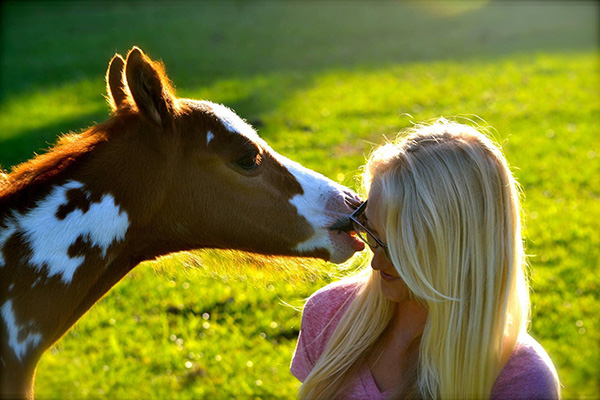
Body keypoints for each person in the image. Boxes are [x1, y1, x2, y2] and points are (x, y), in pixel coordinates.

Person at [291, 120, 560, 399]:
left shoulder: (520, 380)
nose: (377, 263)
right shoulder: (328, 314)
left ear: (462, 248)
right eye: (371, 230)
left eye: (403, 249)